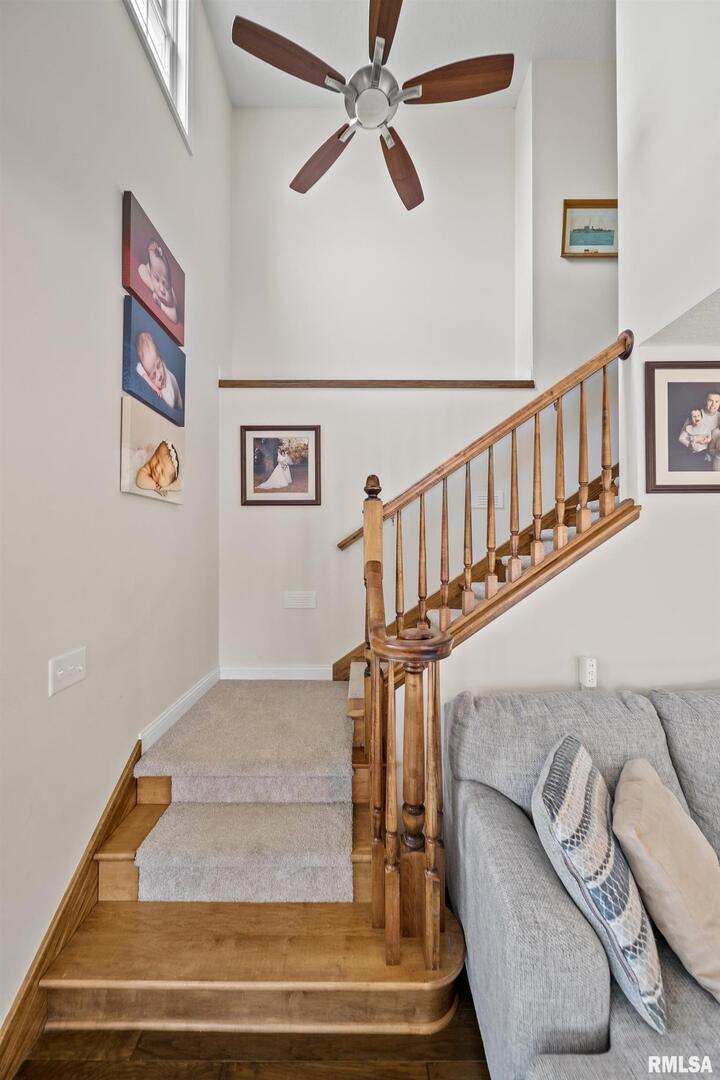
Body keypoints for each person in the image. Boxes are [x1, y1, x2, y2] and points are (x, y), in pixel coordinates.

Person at [136, 331, 183, 411]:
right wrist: (152, 385)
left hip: (174, 386)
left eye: (158, 365)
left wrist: (160, 389)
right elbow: (138, 367)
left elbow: (171, 403)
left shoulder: (167, 379)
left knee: (180, 406)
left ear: (160, 358)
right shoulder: (146, 366)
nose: (159, 375)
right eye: (153, 375)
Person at [138, 239, 179, 323]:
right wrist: (153, 289)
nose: (162, 288)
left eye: (165, 284)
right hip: (150, 270)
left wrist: (161, 304)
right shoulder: (148, 270)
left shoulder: (170, 294)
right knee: (142, 268)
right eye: (157, 279)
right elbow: (141, 269)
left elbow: (174, 319)